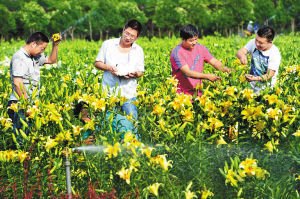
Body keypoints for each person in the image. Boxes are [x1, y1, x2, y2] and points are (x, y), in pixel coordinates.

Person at [7, 32, 60, 142]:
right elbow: (17, 83)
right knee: (21, 140)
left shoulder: (34, 56)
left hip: (30, 104)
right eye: (42, 48)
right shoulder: (19, 57)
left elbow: (51, 60)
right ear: (33, 44)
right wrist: (27, 105)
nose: (42, 52)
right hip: (20, 104)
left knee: (29, 138)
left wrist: (56, 45)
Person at [94, 19, 144, 136]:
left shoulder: (138, 50)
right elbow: (97, 63)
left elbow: (141, 71)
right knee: (106, 123)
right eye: (127, 33)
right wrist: (108, 67)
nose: (128, 37)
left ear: (137, 37)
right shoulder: (108, 44)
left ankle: (133, 148)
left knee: (132, 124)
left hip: (129, 94)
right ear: (123, 30)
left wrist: (135, 74)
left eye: (132, 36)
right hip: (109, 93)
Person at [170, 24, 231, 96]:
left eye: (196, 39)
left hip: (198, 93)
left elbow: (214, 62)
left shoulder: (200, 48)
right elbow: (187, 72)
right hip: (181, 95)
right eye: (191, 40)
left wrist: (226, 70)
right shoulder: (177, 53)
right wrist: (207, 76)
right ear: (183, 39)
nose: (194, 42)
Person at [236, 26, 281, 94]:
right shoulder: (253, 42)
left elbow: (269, 75)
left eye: (261, 43)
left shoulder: (275, 53)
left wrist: (254, 78)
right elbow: (240, 52)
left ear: (270, 42)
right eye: (256, 40)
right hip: (252, 89)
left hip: (268, 90)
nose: (257, 44)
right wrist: (242, 56)